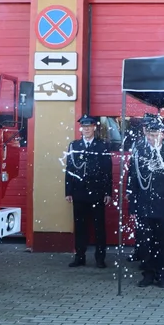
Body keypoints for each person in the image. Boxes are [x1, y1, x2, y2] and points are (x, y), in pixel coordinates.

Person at [128, 115, 164, 288]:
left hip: (162, 207)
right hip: (143, 205)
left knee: (161, 243)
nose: (152, 137)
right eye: (150, 134)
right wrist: (133, 206)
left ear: (163, 135)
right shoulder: (139, 152)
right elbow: (133, 180)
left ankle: (162, 274)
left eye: (156, 134)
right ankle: (148, 274)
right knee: (145, 243)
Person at [64, 115, 113, 268]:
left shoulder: (102, 146)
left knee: (99, 227)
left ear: (94, 127)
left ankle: (100, 258)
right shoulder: (74, 146)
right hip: (79, 192)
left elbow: (107, 171)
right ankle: (80, 256)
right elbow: (69, 170)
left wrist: (108, 192)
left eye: (89, 126)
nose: (86, 129)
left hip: (97, 192)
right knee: (80, 227)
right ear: (81, 128)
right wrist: (68, 191)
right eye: (84, 127)